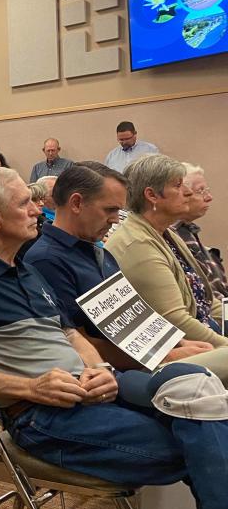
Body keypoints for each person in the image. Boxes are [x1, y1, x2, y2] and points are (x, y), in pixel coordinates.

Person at [0, 166, 228, 509]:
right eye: (25, 203)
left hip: (96, 387)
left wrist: (100, 370)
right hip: (44, 413)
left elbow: (70, 333)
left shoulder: (24, 268)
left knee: (195, 385)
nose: (38, 209)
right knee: (207, 442)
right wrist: (32, 389)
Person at [25, 162, 228, 382]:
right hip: (123, 375)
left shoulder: (97, 251)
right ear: (76, 203)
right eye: (110, 209)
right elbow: (78, 343)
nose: (115, 219)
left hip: (152, 357)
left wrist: (178, 343)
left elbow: (139, 320)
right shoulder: (46, 260)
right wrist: (166, 353)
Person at [105, 154, 226, 345]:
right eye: (177, 186)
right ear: (152, 195)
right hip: (181, 347)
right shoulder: (138, 244)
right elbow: (176, 322)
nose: (187, 192)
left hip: (205, 335)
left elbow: (208, 302)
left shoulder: (166, 232)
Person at [173, 164, 227, 301]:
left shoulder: (187, 230)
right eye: (201, 191)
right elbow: (205, 299)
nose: (209, 197)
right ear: (181, 194)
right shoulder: (173, 235)